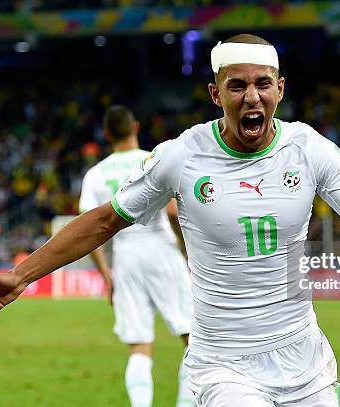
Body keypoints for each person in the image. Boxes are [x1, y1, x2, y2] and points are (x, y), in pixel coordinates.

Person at [0, 34, 340, 406]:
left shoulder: (310, 149)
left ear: (280, 90)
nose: (252, 96)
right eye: (237, 86)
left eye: (263, 83)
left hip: (304, 357)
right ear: (216, 94)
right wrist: (20, 275)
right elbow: (103, 221)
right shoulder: (180, 155)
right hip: (223, 363)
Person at [78, 105, 194, 407]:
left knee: (139, 344)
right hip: (161, 250)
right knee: (192, 338)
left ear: (106, 135)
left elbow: (90, 233)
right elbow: (171, 212)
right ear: (136, 127)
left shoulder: (95, 174)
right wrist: (186, 251)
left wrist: (107, 276)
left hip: (125, 256)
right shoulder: (152, 160)